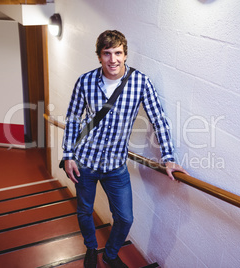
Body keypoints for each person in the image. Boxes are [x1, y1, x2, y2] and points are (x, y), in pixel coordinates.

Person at [62, 30, 188, 268]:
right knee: (84, 212)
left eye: (118, 53)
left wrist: (169, 158)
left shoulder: (141, 82)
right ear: (99, 56)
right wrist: (68, 155)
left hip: (115, 166)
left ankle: (110, 255)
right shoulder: (85, 81)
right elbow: (72, 120)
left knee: (125, 218)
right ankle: (91, 248)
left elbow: (159, 120)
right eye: (107, 53)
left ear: (125, 54)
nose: (113, 59)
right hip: (85, 162)